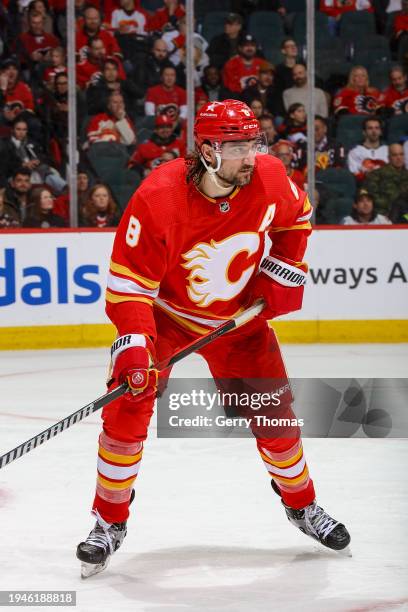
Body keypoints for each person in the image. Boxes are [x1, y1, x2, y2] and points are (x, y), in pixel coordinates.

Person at [76, 99, 350, 578]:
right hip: (168, 321)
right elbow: (128, 286)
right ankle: (108, 520)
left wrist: (284, 274)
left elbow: (298, 216)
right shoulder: (158, 197)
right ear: (206, 151)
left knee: (277, 418)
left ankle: (302, 506)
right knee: (126, 409)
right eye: (238, 146)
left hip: (239, 322)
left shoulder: (267, 176)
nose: (252, 155)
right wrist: (138, 347)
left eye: (254, 143)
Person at [362, 143, 408, 215]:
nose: (399, 158)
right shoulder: (377, 174)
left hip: (404, 214)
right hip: (384, 214)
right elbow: (372, 198)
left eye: (401, 154)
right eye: (394, 155)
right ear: (389, 157)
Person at [347, 116, 388, 181]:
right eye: (370, 128)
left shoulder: (388, 150)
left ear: (381, 132)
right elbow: (354, 174)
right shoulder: (355, 151)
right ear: (364, 132)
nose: (374, 131)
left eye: (377, 128)